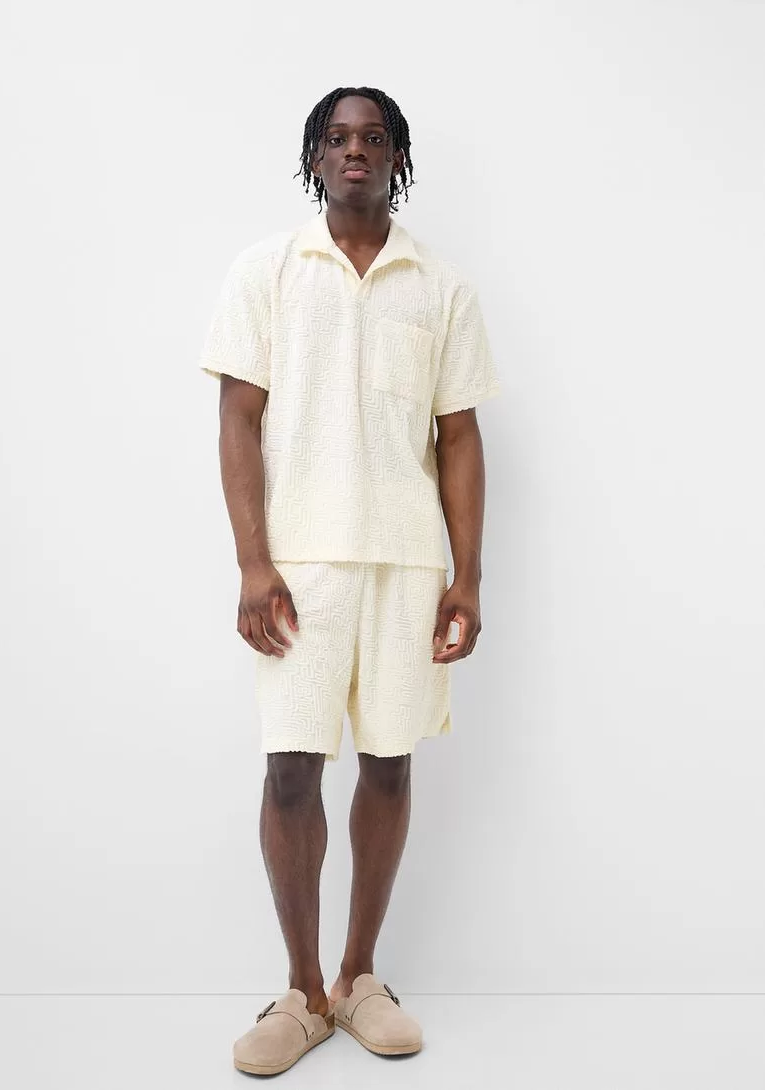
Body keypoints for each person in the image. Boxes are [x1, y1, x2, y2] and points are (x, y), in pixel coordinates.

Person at [198, 85, 501, 1076]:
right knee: (291, 765)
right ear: (314, 159)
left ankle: (359, 978)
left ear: (398, 158)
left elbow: (460, 436)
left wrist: (467, 577)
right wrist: (254, 562)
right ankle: (301, 993)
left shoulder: (440, 287)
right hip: (299, 569)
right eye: (336, 138)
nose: (355, 150)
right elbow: (238, 418)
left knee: (389, 762)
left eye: (373, 138)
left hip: (407, 563)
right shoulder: (266, 271)